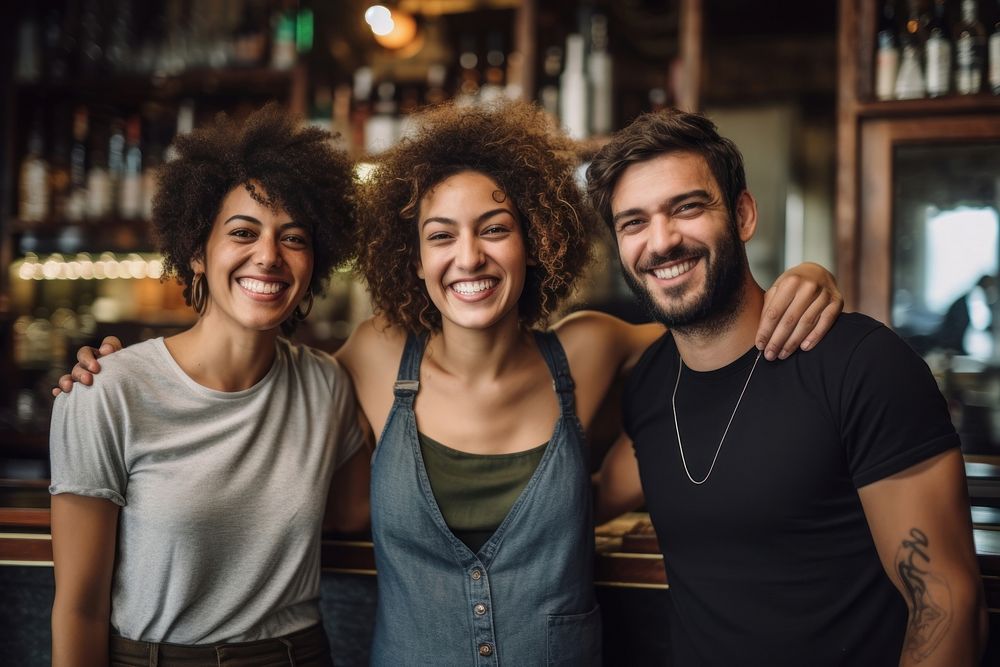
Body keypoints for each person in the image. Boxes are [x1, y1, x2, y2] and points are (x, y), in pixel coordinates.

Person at [59, 101, 842, 664]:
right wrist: (117, 371)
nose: (468, 257)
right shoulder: (370, 359)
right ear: (413, 255)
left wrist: (802, 278)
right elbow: (245, 388)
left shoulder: (593, 351)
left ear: (536, 240)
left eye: (494, 228)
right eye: (441, 235)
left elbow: (714, 326)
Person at [587, 109, 987, 665]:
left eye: (688, 207)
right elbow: (577, 505)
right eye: (634, 222)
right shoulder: (652, 383)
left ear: (744, 214)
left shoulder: (860, 363)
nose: (663, 240)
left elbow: (946, 601)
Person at [48, 105, 369, 666]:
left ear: (314, 264)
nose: (268, 256)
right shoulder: (105, 391)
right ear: (197, 252)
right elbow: (78, 609)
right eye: (243, 232)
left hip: (298, 655)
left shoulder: (327, 386)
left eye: (293, 238)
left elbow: (354, 515)